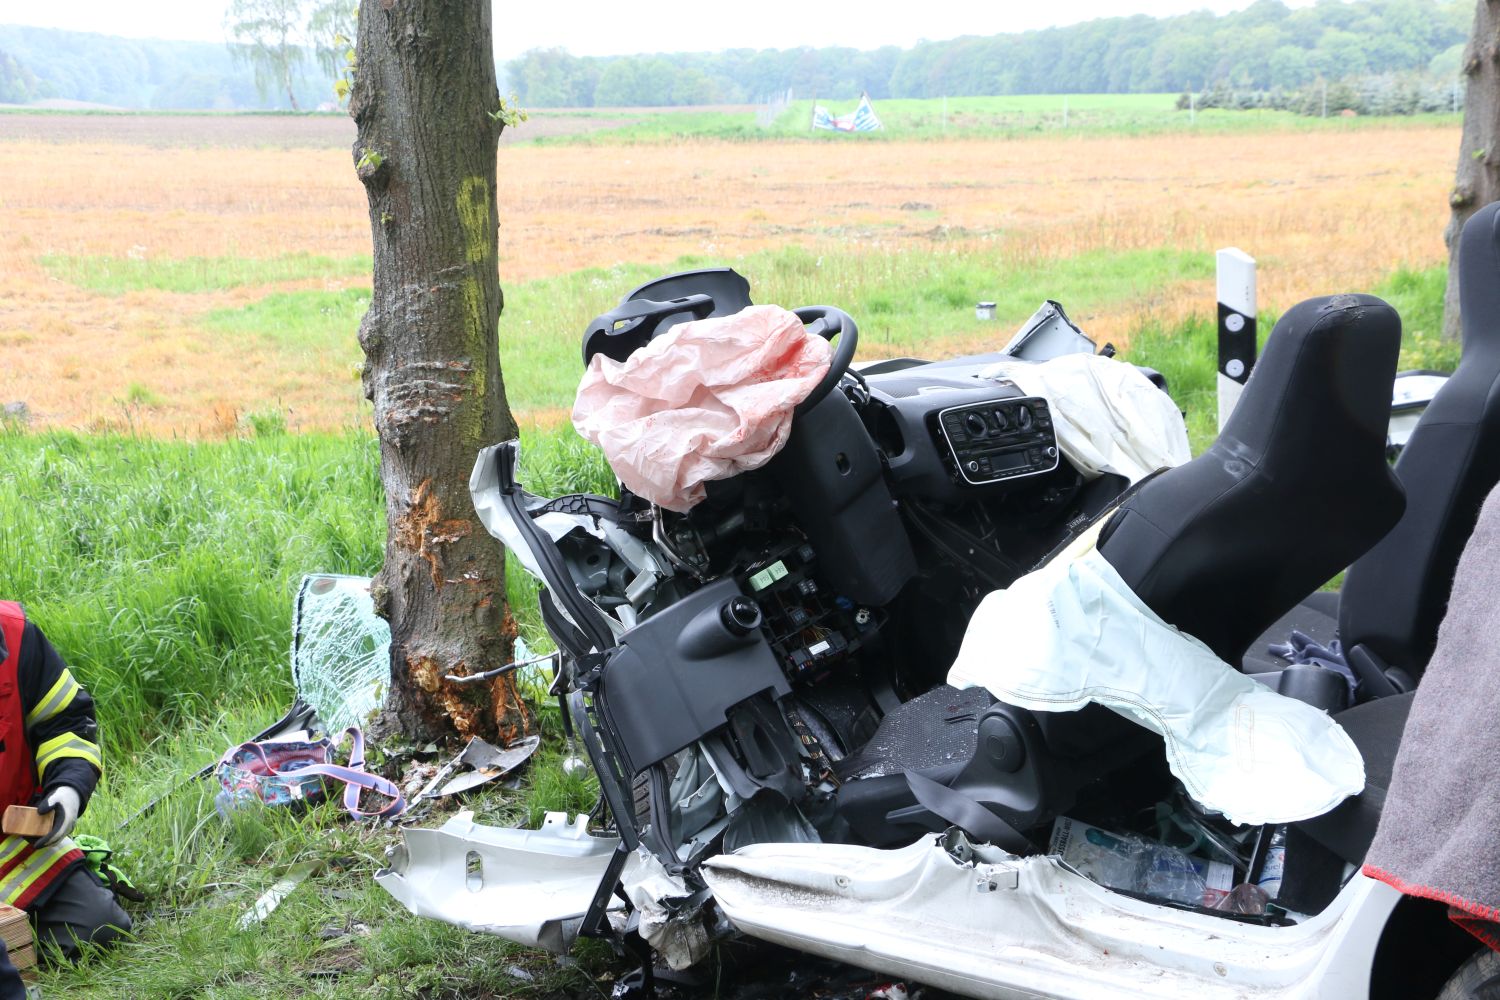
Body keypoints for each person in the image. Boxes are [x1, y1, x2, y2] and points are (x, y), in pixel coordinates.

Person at [0, 600, 129, 990]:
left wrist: (66, 794)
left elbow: (65, 722)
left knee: (100, 925)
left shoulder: (16, 634)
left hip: (13, 845)